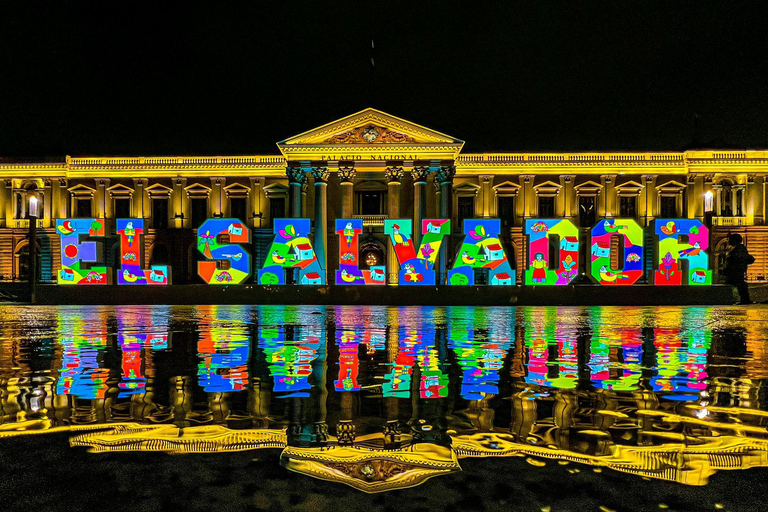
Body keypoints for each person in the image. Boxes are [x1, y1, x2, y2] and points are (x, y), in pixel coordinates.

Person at [724, 233, 755, 304]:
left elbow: (738, 259)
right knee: (739, 284)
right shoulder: (738, 249)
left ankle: (744, 300)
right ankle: (744, 300)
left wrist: (730, 258)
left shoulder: (739, 250)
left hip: (737, 271)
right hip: (736, 271)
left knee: (740, 284)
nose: (728, 241)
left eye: (730, 240)